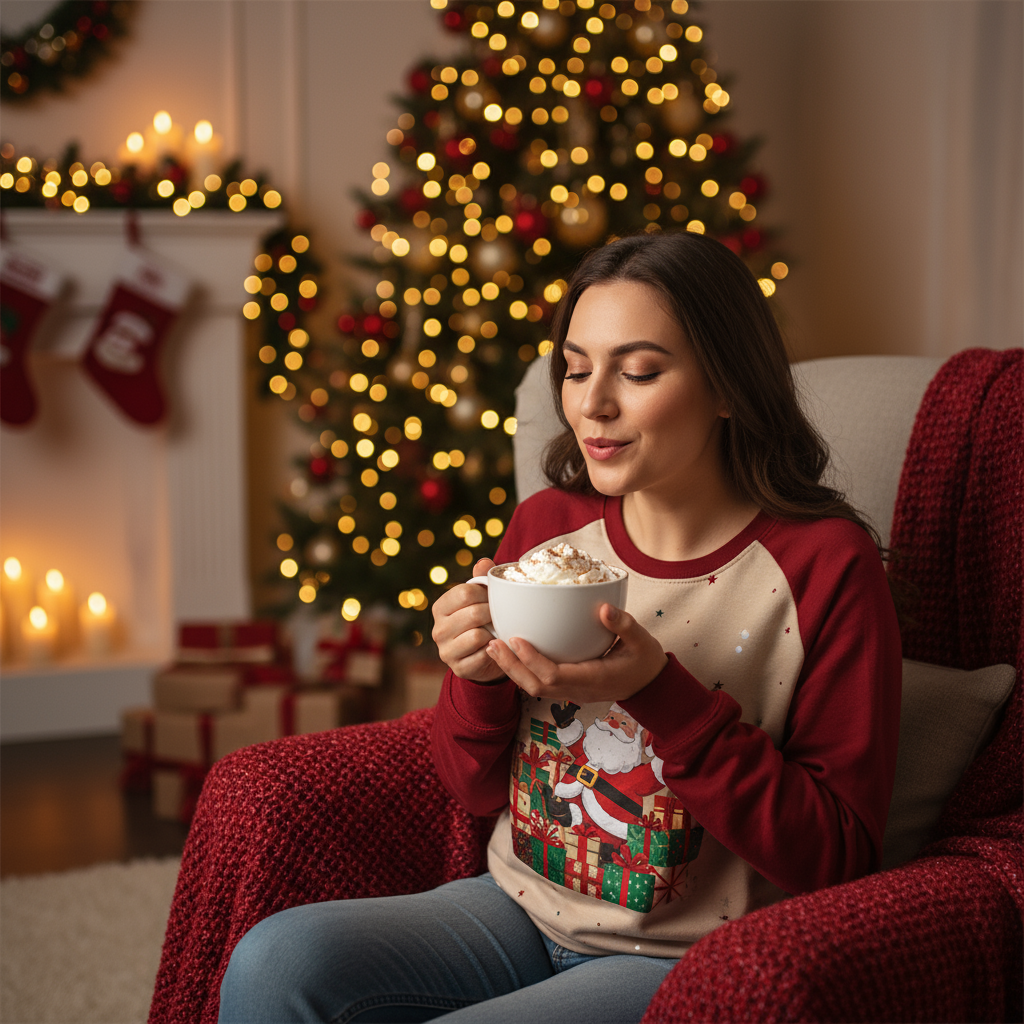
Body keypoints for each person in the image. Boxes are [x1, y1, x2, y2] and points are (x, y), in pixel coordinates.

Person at [218, 231, 902, 1023]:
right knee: (274, 961)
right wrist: (475, 678)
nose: (592, 404)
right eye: (577, 369)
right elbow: (472, 786)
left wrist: (661, 693)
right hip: (515, 907)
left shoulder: (825, 564)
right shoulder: (548, 527)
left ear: (727, 386)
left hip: (684, 957)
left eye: (638, 371)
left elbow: (838, 857)